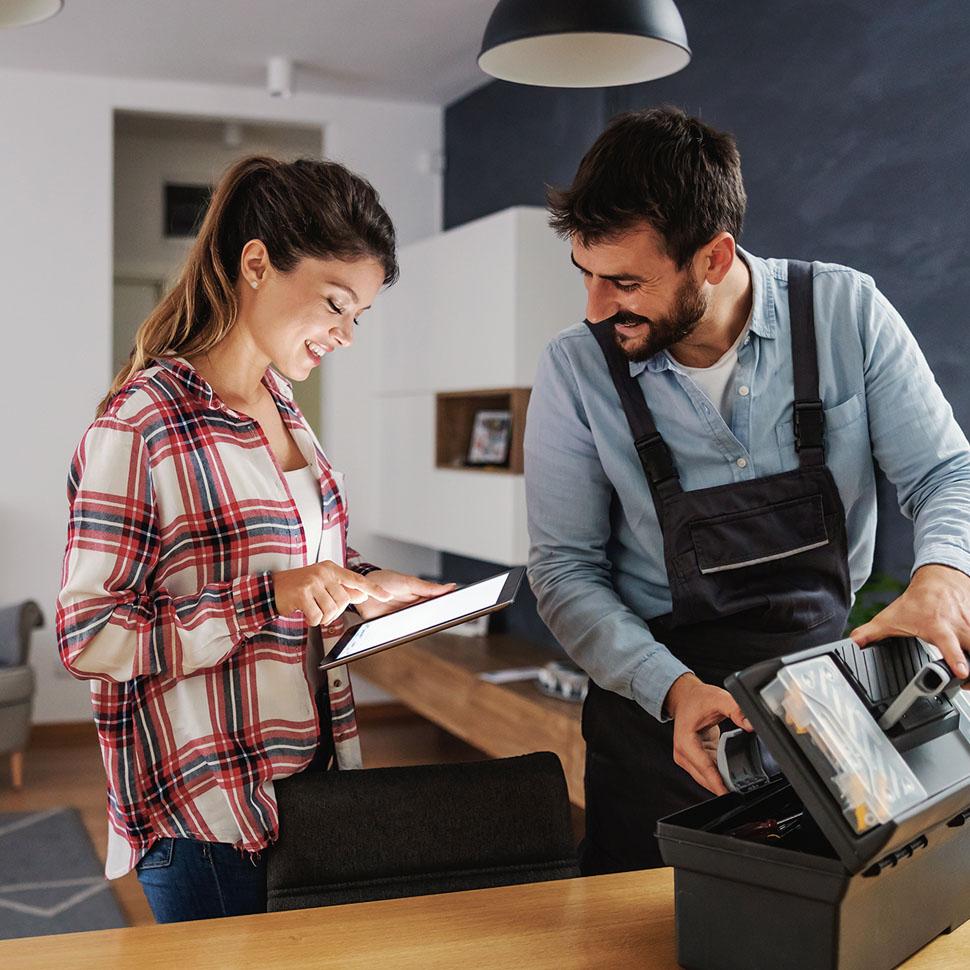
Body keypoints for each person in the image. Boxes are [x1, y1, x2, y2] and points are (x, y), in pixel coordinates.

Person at [524, 107, 970, 875]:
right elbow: (564, 570)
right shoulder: (576, 368)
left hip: (826, 705)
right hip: (659, 718)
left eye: (624, 282)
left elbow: (945, 474)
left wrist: (944, 576)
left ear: (713, 256)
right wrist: (672, 690)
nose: (595, 309)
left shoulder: (846, 314)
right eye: (586, 276)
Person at [55, 155, 453, 921]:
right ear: (258, 264)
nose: (345, 335)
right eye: (334, 305)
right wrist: (267, 598)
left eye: (357, 317)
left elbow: (285, 563)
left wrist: (367, 583)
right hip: (208, 815)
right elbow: (89, 635)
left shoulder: (283, 407)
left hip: (308, 784)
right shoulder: (142, 425)